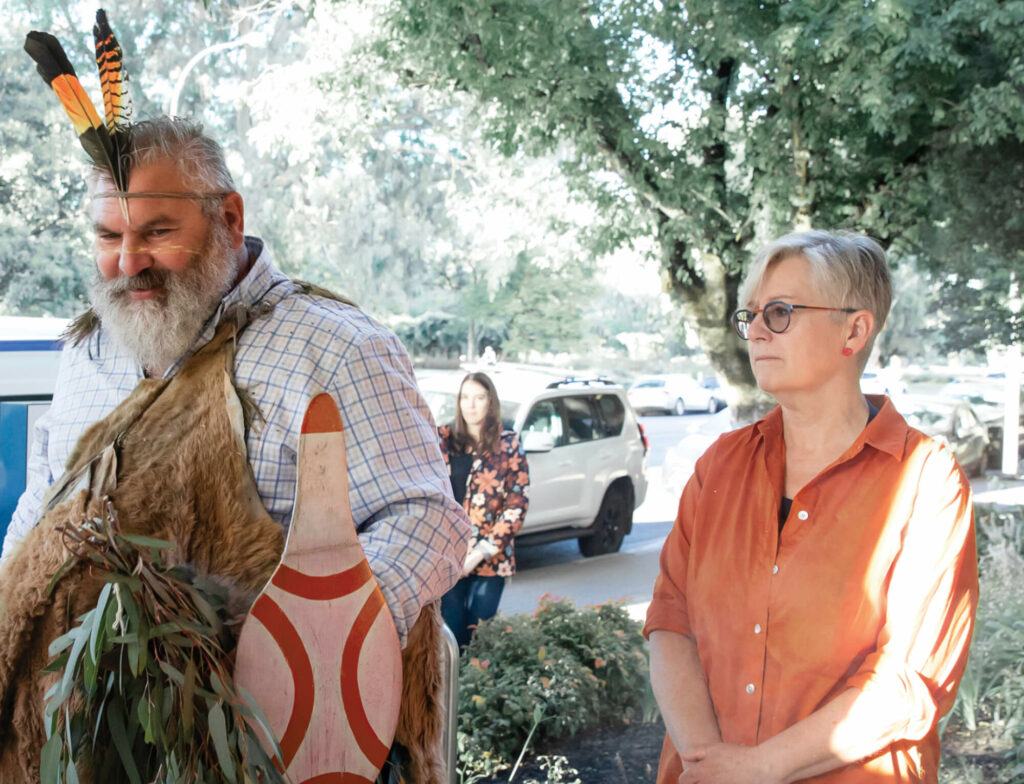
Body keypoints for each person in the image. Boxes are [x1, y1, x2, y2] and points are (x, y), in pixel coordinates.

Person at [0, 117, 471, 646]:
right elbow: (41, 496)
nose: (129, 262)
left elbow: (425, 521)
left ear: (228, 217)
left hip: (271, 716)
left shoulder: (340, 349)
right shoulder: (88, 349)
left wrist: (311, 648)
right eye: (109, 236)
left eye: (157, 232)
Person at [644, 230, 978, 783]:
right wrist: (712, 765)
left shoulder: (927, 480)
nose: (754, 331)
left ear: (854, 329)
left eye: (779, 312)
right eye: (748, 315)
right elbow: (671, 621)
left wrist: (757, 770)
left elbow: (906, 682)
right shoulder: (719, 466)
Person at [438, 372, 529, 647]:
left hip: (490, 560)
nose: (471, 405)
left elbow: (517, 505)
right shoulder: (442, 439)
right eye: (465, 398)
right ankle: (454, 691)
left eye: (479, 398)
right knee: (451, 639)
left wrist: (478, 554)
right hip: (447, 557)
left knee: (479, 641)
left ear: (491, 402)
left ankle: (475, 690)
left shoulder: (509, 444)